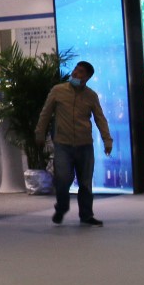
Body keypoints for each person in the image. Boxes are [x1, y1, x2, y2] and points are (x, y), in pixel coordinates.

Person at [35, 61, 113, 226]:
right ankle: (61, 207)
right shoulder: (58, 91)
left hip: (85, 145)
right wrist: (39, 133)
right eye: (75, 70)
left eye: (81, 72)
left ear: (87, 77)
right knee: (62, 179)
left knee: (85, 182)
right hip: (63, 144)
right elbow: (45, 113)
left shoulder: (91, 96)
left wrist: (107, 140)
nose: (76, 73)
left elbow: (100, 118)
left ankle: (86, 215)